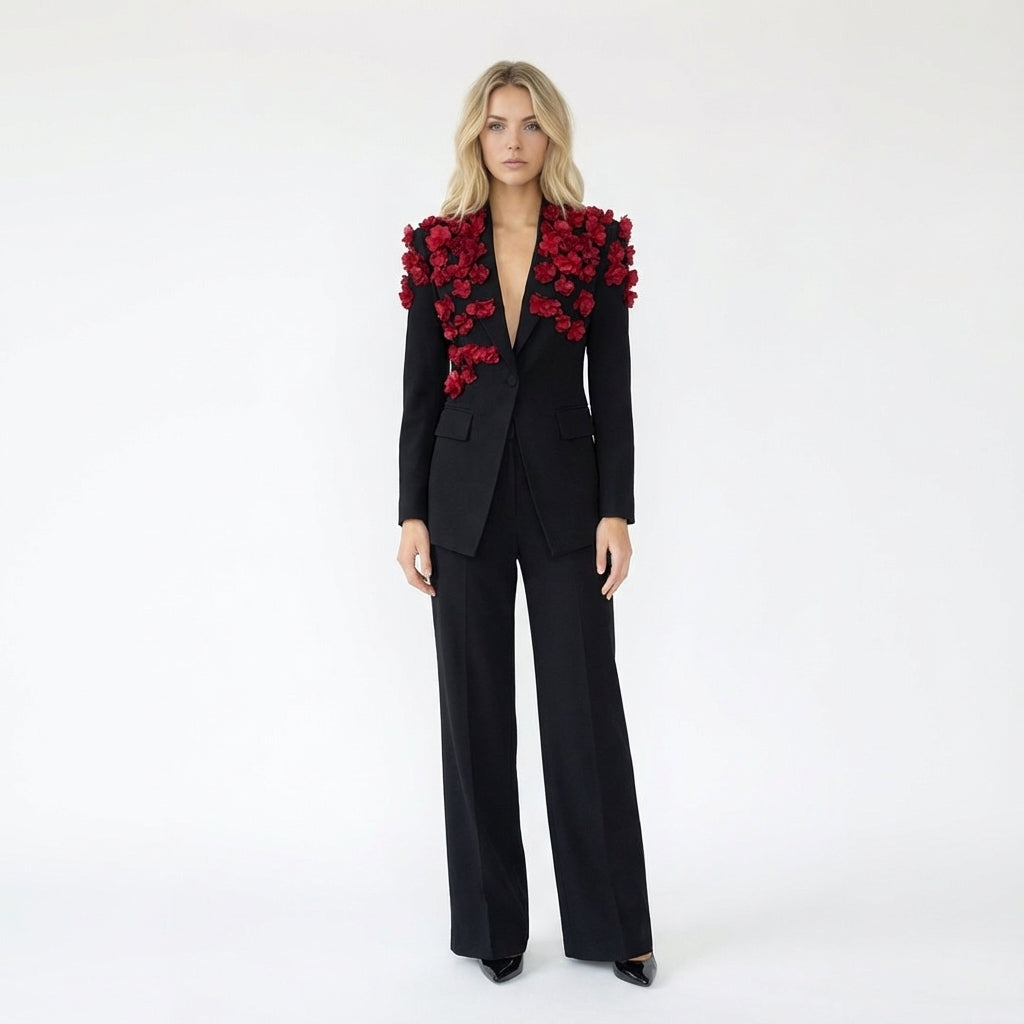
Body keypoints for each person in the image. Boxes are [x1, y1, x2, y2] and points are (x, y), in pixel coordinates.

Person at [396, 60, 656, 988]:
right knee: (474, 716)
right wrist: (411, 513)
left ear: (553, 137)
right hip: (461, 503)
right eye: (499, 123)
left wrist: (617, 509)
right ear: (477, 134)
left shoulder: (593, 243)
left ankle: (615, 923)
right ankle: (491, 923)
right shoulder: (438, 247)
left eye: (532, 124)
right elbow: (420, 394)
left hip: (566, 499)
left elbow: (613, 388)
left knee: (583, 710)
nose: (514, 141)